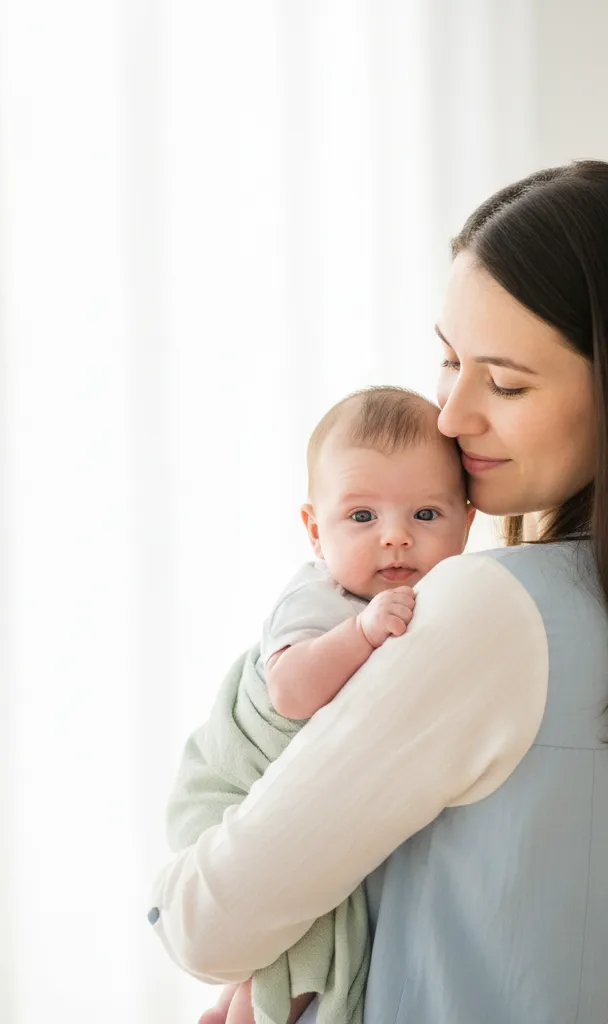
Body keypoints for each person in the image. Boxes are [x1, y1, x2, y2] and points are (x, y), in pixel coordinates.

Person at [147, 159, 608, 1023]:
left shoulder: (490, 612)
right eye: (449, 359)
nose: (450, 415)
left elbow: (207, 924)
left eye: (505, 382)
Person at [169, 386, 473, 1024]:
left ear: (466, 523)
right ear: (315, 529)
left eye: (425, 515)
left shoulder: (446, 602)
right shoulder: (318, 600)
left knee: (329, 918)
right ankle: (253, 1009)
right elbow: (289, 691)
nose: (395, 538)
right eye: (362, 517)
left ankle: (237, 1006)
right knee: (311, 918)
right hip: (232, 791)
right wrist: (359, 636)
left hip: (285, 805)